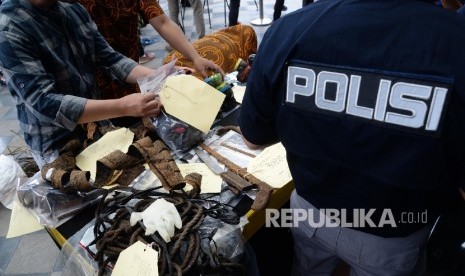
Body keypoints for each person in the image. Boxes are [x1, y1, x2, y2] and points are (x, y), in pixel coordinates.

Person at [239, 0, 465, 275]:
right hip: (392, 233)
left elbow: (253, 137)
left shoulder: (289, 29)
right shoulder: (454, 41)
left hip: (310, 212)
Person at [0, 0, 164, 168]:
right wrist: (122, 107)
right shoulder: (10, 27)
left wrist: (158, 75)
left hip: (97, 128)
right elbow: (45, 104)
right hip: (57, 145)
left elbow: (110, 58)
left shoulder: (72, 8)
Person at [71, 0, 223, 127]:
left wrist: (189, 60)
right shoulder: (67, 9)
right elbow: (54, 104)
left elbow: (112, 59)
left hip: (131, 81)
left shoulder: (75, 14)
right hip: (85, 98)